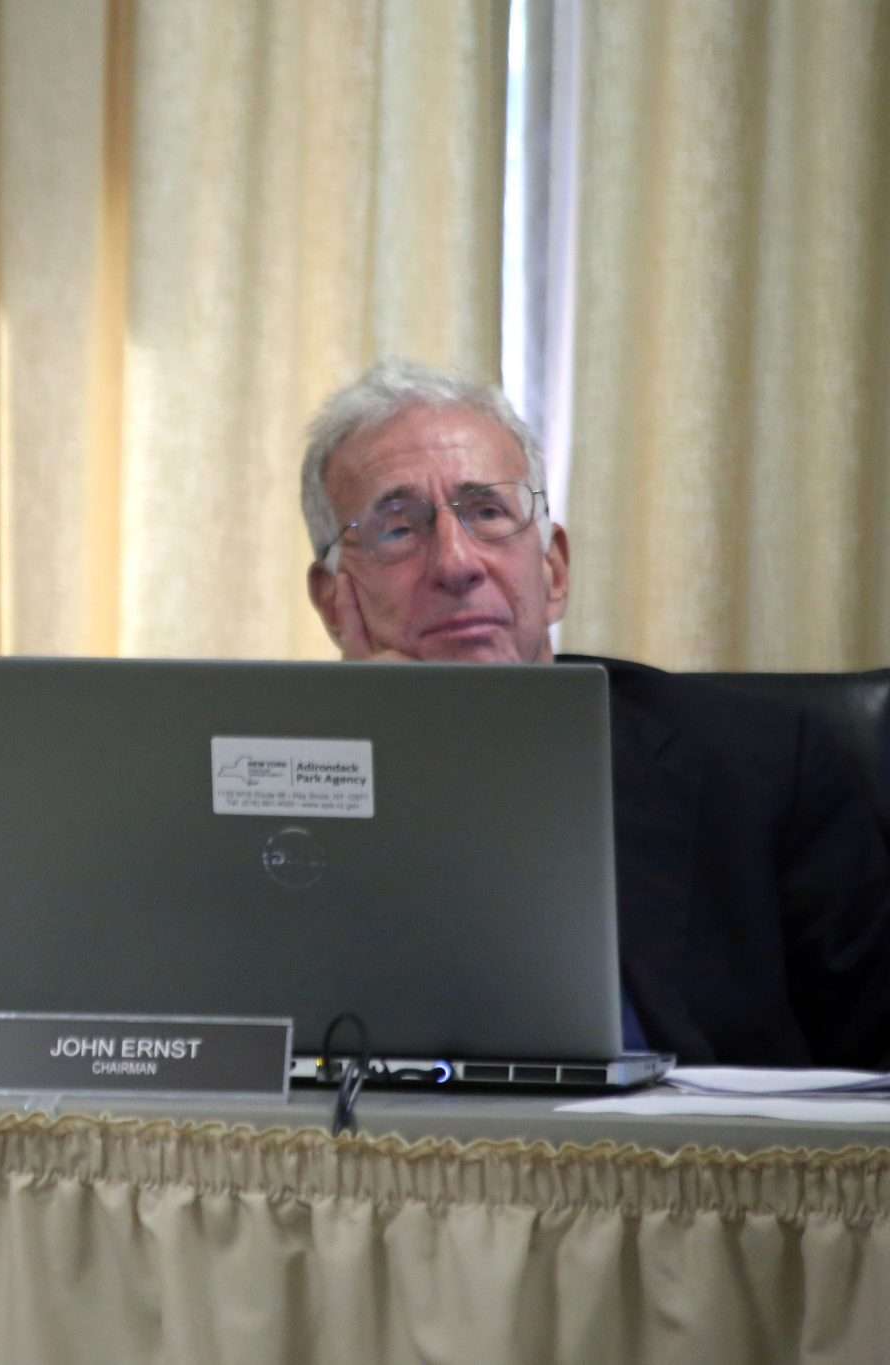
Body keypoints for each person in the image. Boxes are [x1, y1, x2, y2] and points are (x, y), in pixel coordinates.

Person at [298, 359, 890, 1066]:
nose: (456, 563)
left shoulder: (769, 768)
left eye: (488, 512)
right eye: (399, 528)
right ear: (337, 600)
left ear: (552, 573)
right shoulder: (274, 795)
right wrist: (392, 739)